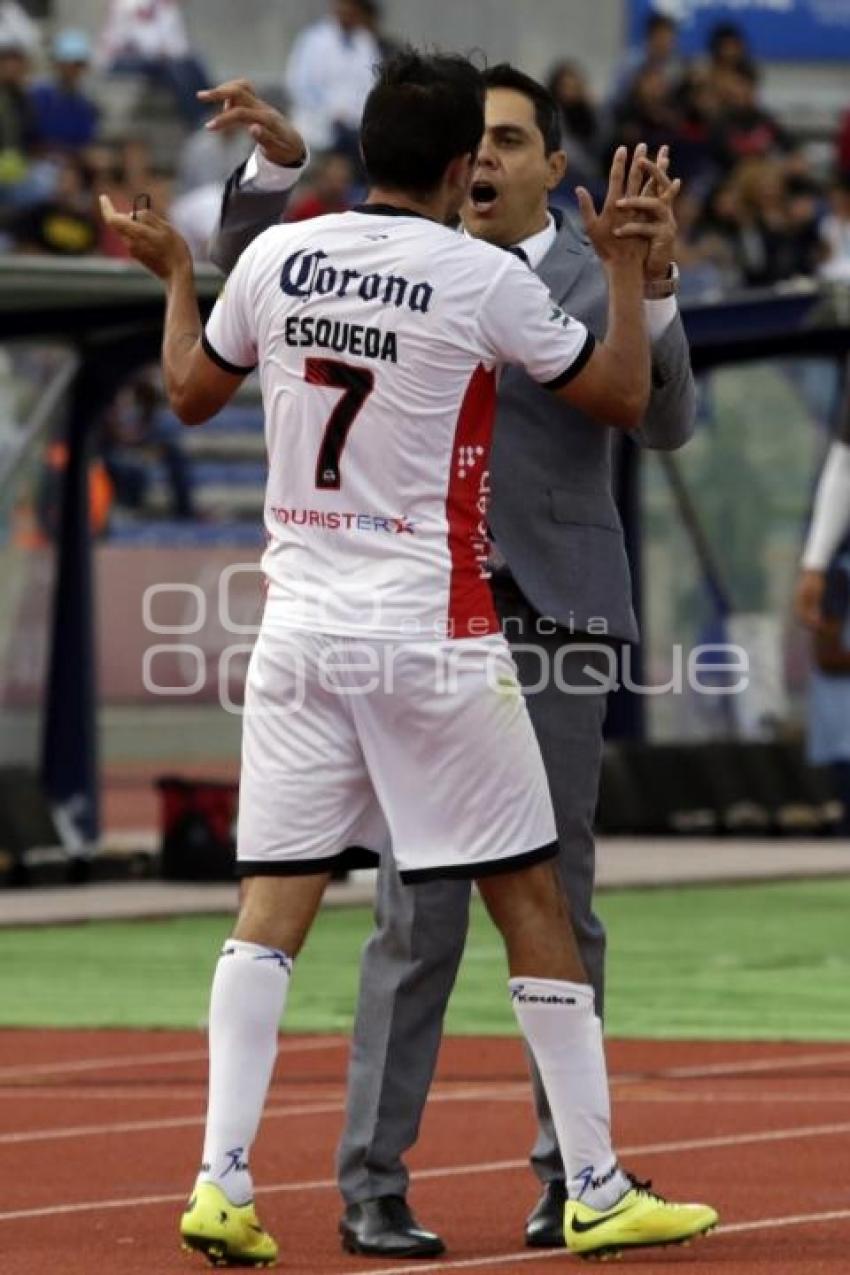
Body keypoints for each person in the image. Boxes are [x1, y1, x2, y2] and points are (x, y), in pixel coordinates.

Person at [103, 49, 717, 1267]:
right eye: (474, 146)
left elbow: (184, 388)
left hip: (296, 634)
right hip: (433, 632)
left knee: (271, 909)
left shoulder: (282, 254)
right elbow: (612, 399)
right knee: (528, 902)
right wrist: (629, 271)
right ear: (450, 167)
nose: (486, 164)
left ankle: (222, 1180)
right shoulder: (470, 275)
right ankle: (590, 1184)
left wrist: (182, 275)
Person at [284, 0, 381, 157]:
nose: (347, 10)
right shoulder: (313, 39)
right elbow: (299, 84)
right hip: (317, 127)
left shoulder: (365, 41)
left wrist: (353, 114)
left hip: (354, 128)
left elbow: (371, 84)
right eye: (343, 5)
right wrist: (331, 111)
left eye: (352, 6)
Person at [28, 29, 99, 152]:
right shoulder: (39, 96)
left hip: (74, 162)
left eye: (78, 64)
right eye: (67, 64)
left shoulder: (85, 103)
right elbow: (31, 137)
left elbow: (86, 140)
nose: (72, 69)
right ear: (57, 65)